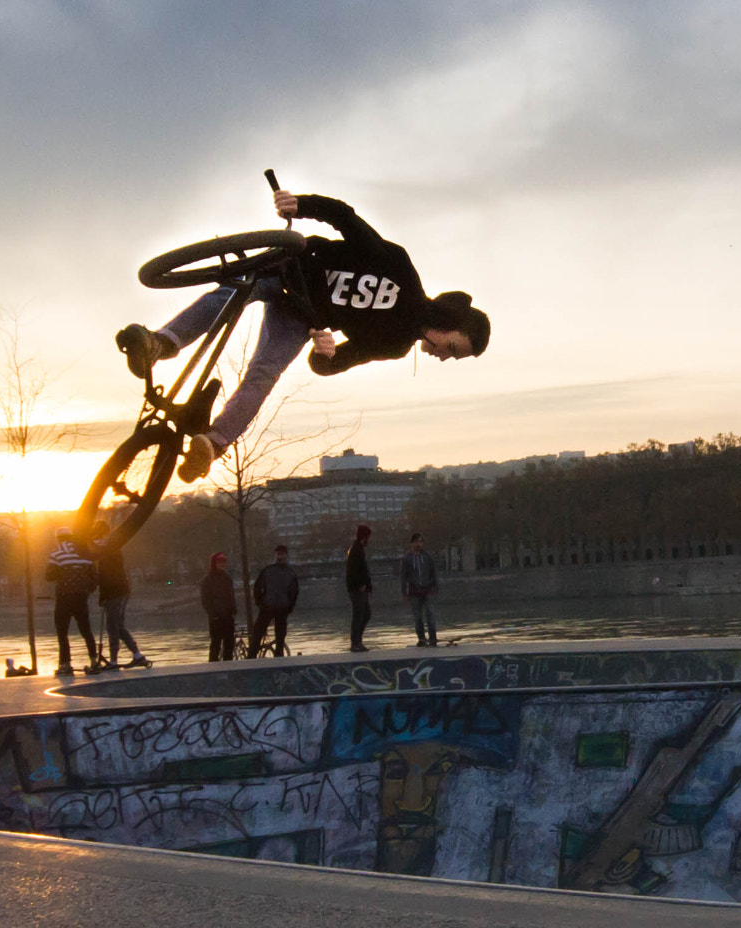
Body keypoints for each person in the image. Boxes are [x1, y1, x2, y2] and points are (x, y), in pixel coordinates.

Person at [116, 187, 492, 483]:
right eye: (453, 348)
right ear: (451, 323)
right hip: (289, 268)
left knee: (265, 372)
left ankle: (213, 445)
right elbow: (346, 220)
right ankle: (161, 343)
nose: (444, 356)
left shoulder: (393, 345)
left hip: (299, 316)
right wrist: (302, 204)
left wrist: (325, 353)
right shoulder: (401, 269)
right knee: (231, 292)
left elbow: (331, 365)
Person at [90, 520, 150, 669]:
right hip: (122, 590)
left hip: (115, 592)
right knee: (118, 626)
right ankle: (137, 655)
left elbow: (105, 577)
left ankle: (113, 661)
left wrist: (103, 597)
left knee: (112, 627)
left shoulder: (107, 549)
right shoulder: (112, 547)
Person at [45, 528, 102, 676]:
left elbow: (49, 576)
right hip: (81, 598)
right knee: (86, 631)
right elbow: (94, 577)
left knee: (62, 633)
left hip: (64, 598)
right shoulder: (85, 554)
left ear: (57, 539)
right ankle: (94, 662)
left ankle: (66, 665)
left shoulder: (56, 554)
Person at [249, 544, 300, 658]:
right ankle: (251, 658)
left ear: (286, 555)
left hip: (282, 609)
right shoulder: (268, 570)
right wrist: (261, 604)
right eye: (278, 554)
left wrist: (289, 607)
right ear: (275, 555)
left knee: (280, 638)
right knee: (257, 634)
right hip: (267, 607)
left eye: (282, 554)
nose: (280, 556)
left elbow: (294, 592)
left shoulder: (290, 573)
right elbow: (257, 588)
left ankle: (279, 659)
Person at [400, 532, 439, 647]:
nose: (419, 544)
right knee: (418, 617)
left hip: (428, 590)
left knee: (430, 614)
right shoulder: (407, 558)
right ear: (412, 543)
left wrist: (435, 588)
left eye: (421, 542)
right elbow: (404, 577)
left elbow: (433, 573)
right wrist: (404, 593)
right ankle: (421, 638)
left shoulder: (427, 557)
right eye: (417, 541)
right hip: (414, 592)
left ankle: (433, 638)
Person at [201, 552, 238, 661]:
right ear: (214, 563)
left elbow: (231, 596)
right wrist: (213, 614)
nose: (222, 564)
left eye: (224, 562)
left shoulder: (227, 578)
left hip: (228, 616)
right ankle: (213, 668)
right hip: (216, 618)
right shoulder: (208, 580)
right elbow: (206, 600)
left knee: (229, 644)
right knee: (216, 644)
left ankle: (228, 667)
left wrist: (233, 610)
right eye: (219, 562)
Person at [346, 524, 374, 652]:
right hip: (357, 589)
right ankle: (355, 642)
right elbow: (353, 571)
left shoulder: (359, 549)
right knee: (359, 615)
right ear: (365, 537)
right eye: (369, 537)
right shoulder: (356, 550)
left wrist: (368, 585)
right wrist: (360, 584)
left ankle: (358, 640)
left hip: (361, 588)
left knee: (365, 614)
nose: (370, 540)